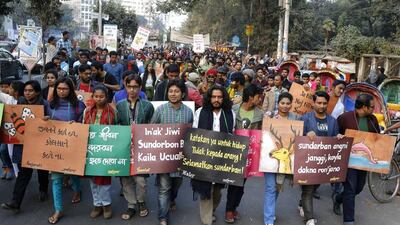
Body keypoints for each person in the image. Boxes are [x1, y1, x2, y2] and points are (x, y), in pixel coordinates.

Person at [1, 80, 51, 213]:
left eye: (30, 91)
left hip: (40, 143)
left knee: (42, 169)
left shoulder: (44, 104)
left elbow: (52, 121)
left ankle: (43, 190)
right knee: (24, 173)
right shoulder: (20, 103)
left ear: (37, 92)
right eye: (26, 91)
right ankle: (15, 202)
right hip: (25, 144)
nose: (27, 93)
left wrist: (46, 120)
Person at [151, 80, 194, 225]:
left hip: (180, 158)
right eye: (170, 91)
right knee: (164, 188)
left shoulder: (188, 112)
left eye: (176, 91)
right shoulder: (160, 110)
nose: (173, 94)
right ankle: (163, 217)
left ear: (182, 93)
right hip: (163, 158)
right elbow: (150, 130)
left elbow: (191, 134)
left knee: (176, 185)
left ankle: (173, 199)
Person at [191, 85, 236, 225]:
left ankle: (212, 210)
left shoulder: (230, 114)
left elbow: (233, 136)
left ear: (224, 98)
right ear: (209, 98)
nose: (216, 100)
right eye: (214, 97)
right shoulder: (200, 112)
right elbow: (195, 134)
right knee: (205, 189)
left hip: (222, 159)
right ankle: (206, 220)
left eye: (219, 97)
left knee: (217, 191)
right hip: (204, 157)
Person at [333, 94, 380, 225]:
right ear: (364, 107)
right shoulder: (344, 118)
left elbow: (377, 138)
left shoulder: (373, 119)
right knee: (350, 188)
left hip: (364, 162)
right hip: (348, 161)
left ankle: (338, 198)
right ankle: (349, 220)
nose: (374, 109)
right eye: (372, 107)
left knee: (358, 188)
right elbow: (335, 134)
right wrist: (338, 136)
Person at [298, 91, 341, 225]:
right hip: (307, 161)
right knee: (308, 188)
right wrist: (306, 134)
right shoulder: (305, 119)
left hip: (323, 163)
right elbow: (297, 137)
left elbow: (334, 139)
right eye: (319, 103)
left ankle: (301, 204)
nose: (322, 106)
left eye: (324, 103)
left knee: (314, 187)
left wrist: (338, 138)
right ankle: (309, 218)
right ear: (313, 103)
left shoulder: (332, 121)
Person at [47, 78, 86, 224]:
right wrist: (44, 120)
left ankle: (77, 190)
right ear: (55, 89)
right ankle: (58, 209)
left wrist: (76, 124)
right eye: (59, 88)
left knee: (71, 171)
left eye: (65, 89)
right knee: (56, 178)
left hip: (72, 145)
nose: (62, 91)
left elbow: (85, 123)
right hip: (54, 147)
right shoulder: (49, 105)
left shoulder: (78, 105)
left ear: (71, 90)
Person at [116, 74, 154, 221]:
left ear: (140, 88)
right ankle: (131, 204)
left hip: (142, 147)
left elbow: (152, 125)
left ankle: (141, 201)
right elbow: (115, 125)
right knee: (126, 178)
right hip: (124, 147)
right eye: (129, 86)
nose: (132, 90)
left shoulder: (147, 105)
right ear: (125, 87)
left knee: (141, 180)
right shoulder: (119, 105)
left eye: (135, 87)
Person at [225, 84, 263, 224]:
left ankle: (234, 206)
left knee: (241, 184)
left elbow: (261, 132)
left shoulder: (260, 114)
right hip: (233, 152)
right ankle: (229, 210)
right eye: (258, 97)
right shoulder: (234, 109)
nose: (260, 99)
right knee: (234, 182)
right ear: (251, 97)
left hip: (249, 155)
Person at [264, 92, 299, 225]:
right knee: (270, 188)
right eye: (282, 103)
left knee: (277, 186)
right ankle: (269, 220)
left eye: (288, 103)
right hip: (269, 158)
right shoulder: (270, 116)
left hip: (286, 158)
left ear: (291, 105)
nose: (285, 106)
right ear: (278, 103)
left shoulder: (296, 118)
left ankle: (270, 210)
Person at [83, 85, 117, 220]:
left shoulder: (113, 112)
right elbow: (82, 127)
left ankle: (107, 205)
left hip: (106, 150)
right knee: (92, 179)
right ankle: (97, 205)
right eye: (96, 96)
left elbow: (118, 131)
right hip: (91, 149)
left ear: (106, 97)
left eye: (101, 96)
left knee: (104, 179)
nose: (99, 99)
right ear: (92, 97)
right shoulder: (87, 111)